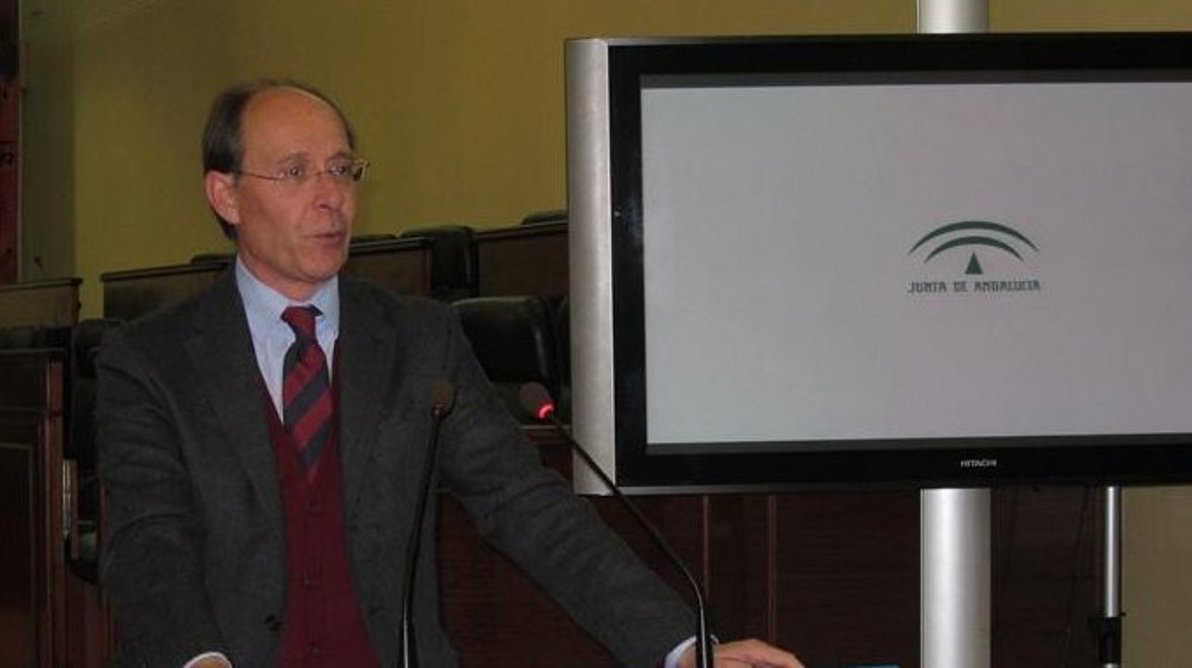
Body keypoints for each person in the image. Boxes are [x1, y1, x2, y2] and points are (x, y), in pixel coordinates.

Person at [97, 79, 803, 668]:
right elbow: (149, 545)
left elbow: (526, 505)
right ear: (225, 195)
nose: (330, 196)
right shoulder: (151, 361)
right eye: (295, 172)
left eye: (341, 169)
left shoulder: (419, 340)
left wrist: (685, 648)